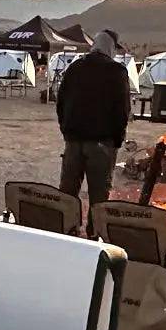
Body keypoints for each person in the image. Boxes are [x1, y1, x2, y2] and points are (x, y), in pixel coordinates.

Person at [56, 29, 131, 220]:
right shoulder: (117, 71)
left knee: (67, 191)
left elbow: (61, 101)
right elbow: (122, 110)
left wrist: (66, 130)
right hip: (102, 143)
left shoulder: (75, 67)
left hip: (73, 141)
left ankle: (64, 229)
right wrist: (117, 139)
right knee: (99, 194)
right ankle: (94, 233)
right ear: (111, 47)